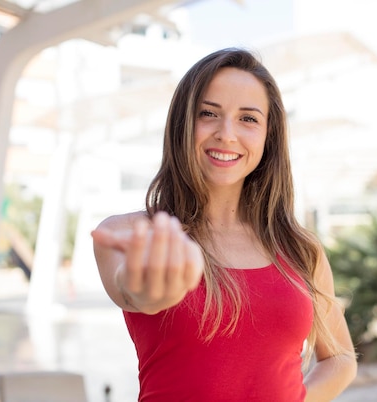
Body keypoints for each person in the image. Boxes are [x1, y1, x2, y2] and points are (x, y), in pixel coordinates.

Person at [91, 47, 357, 401]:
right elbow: (134, 291)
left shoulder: (300, 248)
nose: (227, 134)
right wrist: (153, 288)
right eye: (208, 113)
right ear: (182, 124)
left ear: (268, 135)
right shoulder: (127, 235)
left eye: (248, 118)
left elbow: (340, 358)